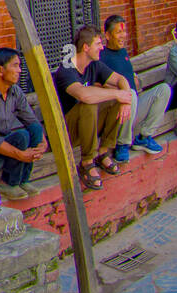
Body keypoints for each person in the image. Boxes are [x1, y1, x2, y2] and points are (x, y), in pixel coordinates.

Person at [52, 26, 131, 191]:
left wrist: (125, 99)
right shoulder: (66, 70)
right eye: (98, 44)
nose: (102, 47)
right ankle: (87, 162)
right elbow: (83, 95)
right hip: (68, 132)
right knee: (90, 103)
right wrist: (117, 94)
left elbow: (121, 79)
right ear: (86, 47)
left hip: (90, 128)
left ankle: (102, 151)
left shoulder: (95, 65)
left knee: (115, 98)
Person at [99, 15, 167, 163]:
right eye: (118, 32)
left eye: (124, 32)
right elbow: (100, 84)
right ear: (108, 35)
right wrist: (121, 91)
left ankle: (144, 137)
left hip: (133, 109)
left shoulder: (123, 52)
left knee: (164, 89)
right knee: (129, 93)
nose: (123, 36)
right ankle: (122, 144)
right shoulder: (101, 56)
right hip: (117, 114)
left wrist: (134, 76)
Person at [0, 47, 46, 200]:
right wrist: (20, 154)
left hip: (8, 148)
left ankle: (23, 180)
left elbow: (31, 120)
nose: (19, 70)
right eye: (15, 66)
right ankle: (8, 183)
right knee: (21, 137)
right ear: (0, 70)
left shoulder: (15, 92)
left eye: (19, 66)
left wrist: (43, 143)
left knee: (35, 129)